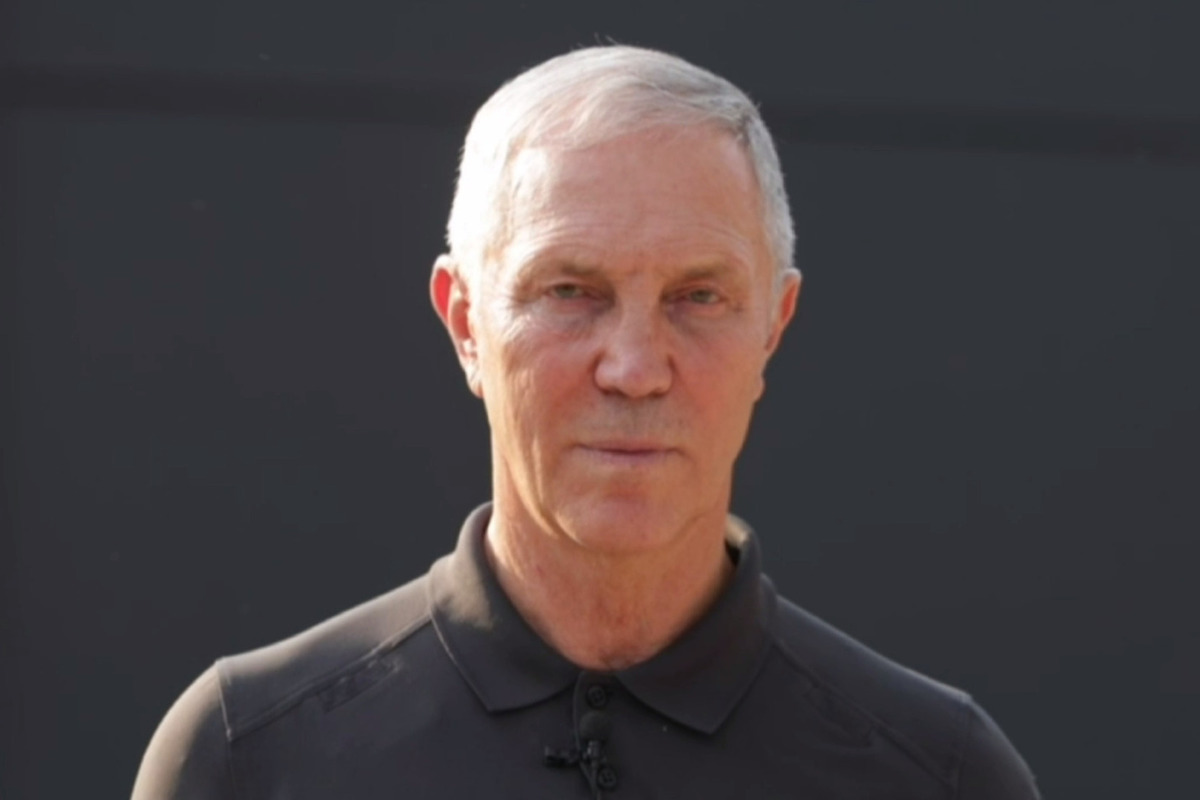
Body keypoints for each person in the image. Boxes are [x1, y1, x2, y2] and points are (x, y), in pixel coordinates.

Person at [132, 45, 1040, 799]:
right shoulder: (249, 759)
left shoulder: (943, 777)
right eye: (570, 291)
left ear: (773, 326)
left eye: (698, 296)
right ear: (465, 324)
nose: (635, 369)